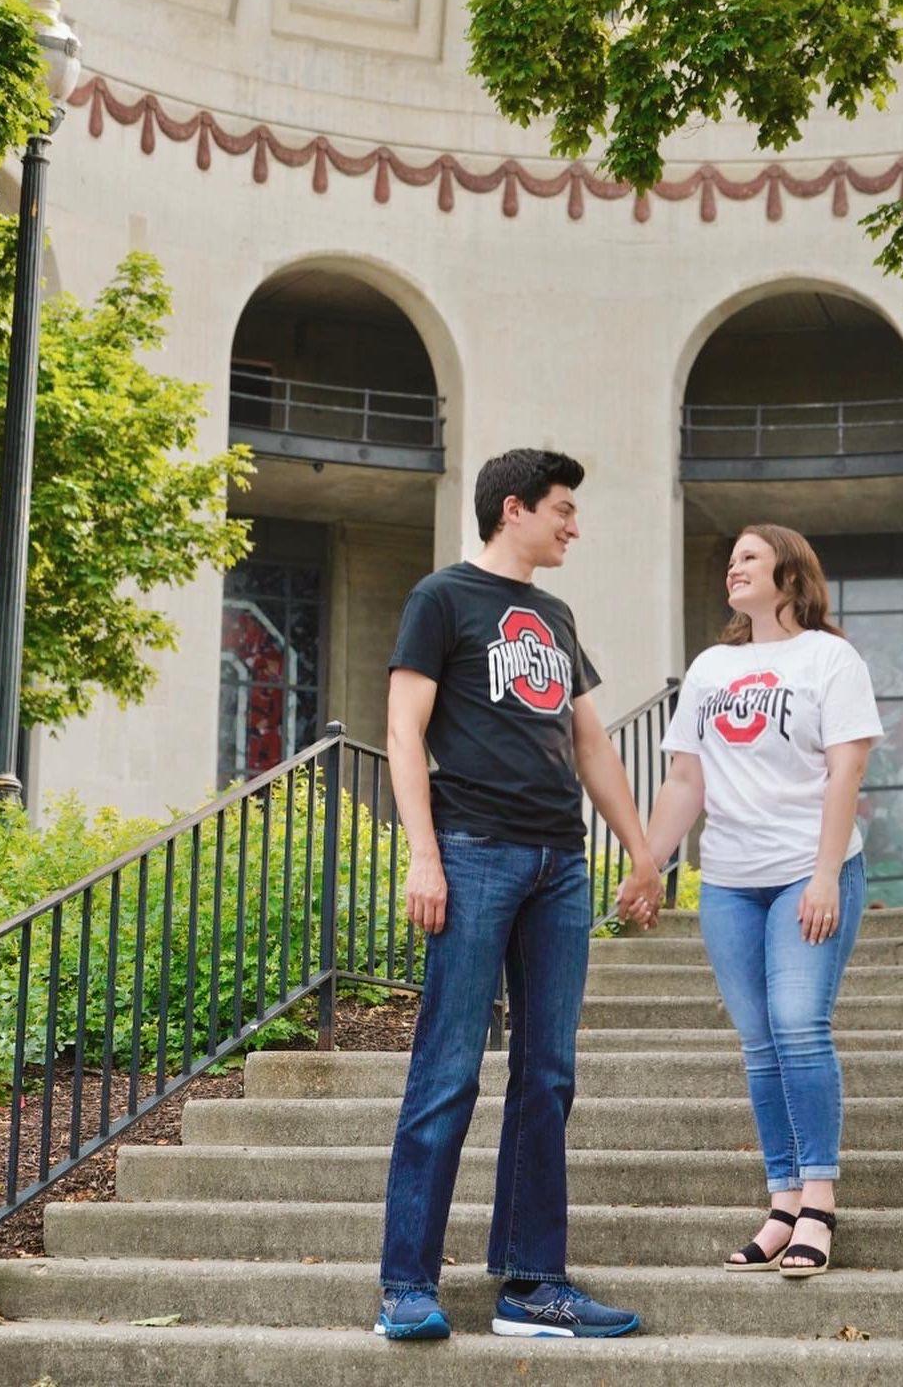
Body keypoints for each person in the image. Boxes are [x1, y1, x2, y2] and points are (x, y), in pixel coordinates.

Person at [373, 448, 662, 1341]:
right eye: (562, 509)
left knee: (548, 1075)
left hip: (557, 866)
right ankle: (405, 1287)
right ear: (513, 509)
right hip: (474, 853)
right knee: (448, 1070)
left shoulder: (556, 614)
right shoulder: (442, 599)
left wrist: (642, 853)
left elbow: (592, 748)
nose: (574, 525)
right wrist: (425, 856)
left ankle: (533, 1285)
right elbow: (401, 729)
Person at [618, 524, 881, 1279]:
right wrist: (648, 865)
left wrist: (827, 874)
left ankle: (820, 1201)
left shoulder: (832, 658)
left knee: (799, 1027)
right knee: (760, 1044)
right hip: (730, 880)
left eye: (751, 558)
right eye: (730, 558)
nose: (733, 567)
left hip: (809, 866)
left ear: (790, 577)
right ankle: (782, 1201)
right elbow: (684, 783)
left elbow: (845, 773)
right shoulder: (710, 667)